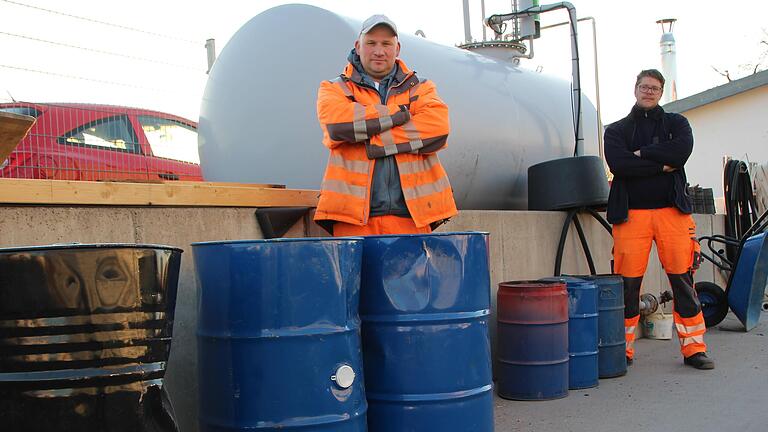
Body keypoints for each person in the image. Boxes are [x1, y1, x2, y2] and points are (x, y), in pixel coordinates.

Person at [604, 69, 714, 370]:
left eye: (654, 88)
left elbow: (680, 153)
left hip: (672, 215)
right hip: (631, 217)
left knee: (683, 281)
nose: (648, 91)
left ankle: (695, 349)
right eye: (644, 86)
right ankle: (621, 350)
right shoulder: (616, 130)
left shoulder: (677, 123)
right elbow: (619, 164)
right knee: (627, 285)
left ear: (661, 92)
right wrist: (658, 164)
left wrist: (641, 154)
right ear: (635, 89)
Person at [314, 14, 457, 236]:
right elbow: (338, 124)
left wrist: (373, 138)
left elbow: (438, 127)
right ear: (358, 46)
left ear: (397, 48)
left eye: (386, 44)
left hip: (412, 218)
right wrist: (401, 114)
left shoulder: (420, 87)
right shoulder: (334, 88)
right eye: (371, 43)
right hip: (353, 220)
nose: (379, 51)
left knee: (413, 273)